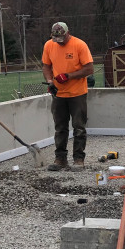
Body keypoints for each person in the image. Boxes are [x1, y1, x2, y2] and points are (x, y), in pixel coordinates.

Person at [42, 22, 94, 171]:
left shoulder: (79, 45)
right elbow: (46, 66)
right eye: (56, 38)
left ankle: (78, 159)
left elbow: (89, 68)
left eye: (61, 38)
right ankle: (60, 159)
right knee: (60, 127)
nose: (59, 41)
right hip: (58, 94)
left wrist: (69, 76)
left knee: (79, 127)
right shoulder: (49, 45)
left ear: (67, 33)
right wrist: (50, 81)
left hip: (77, 93)